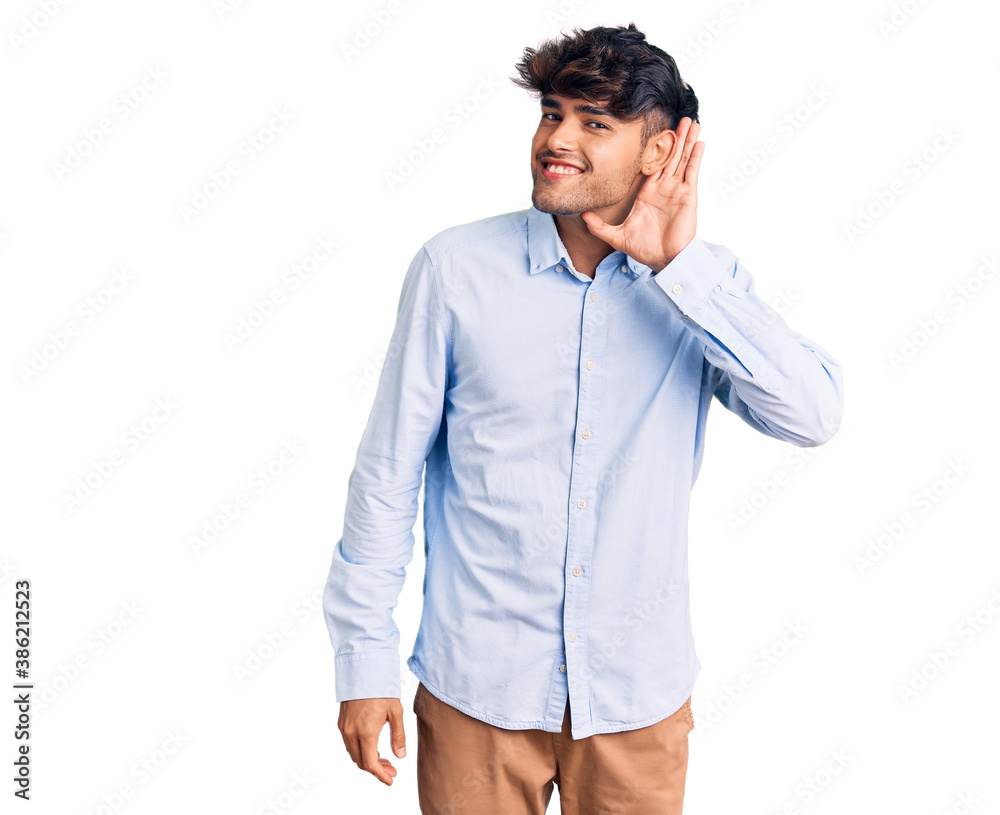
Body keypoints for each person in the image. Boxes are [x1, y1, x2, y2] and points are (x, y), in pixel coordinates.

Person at [323, 22, 844, 814]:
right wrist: (364, 665)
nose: (557, 139)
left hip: (638, 701)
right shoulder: (455, 270)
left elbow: (812, 414)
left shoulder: (702, 286)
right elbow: (386, 478)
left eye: (595, 123)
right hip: (477, 692)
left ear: (661, 152)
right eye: (552, 113)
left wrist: (681, 268)